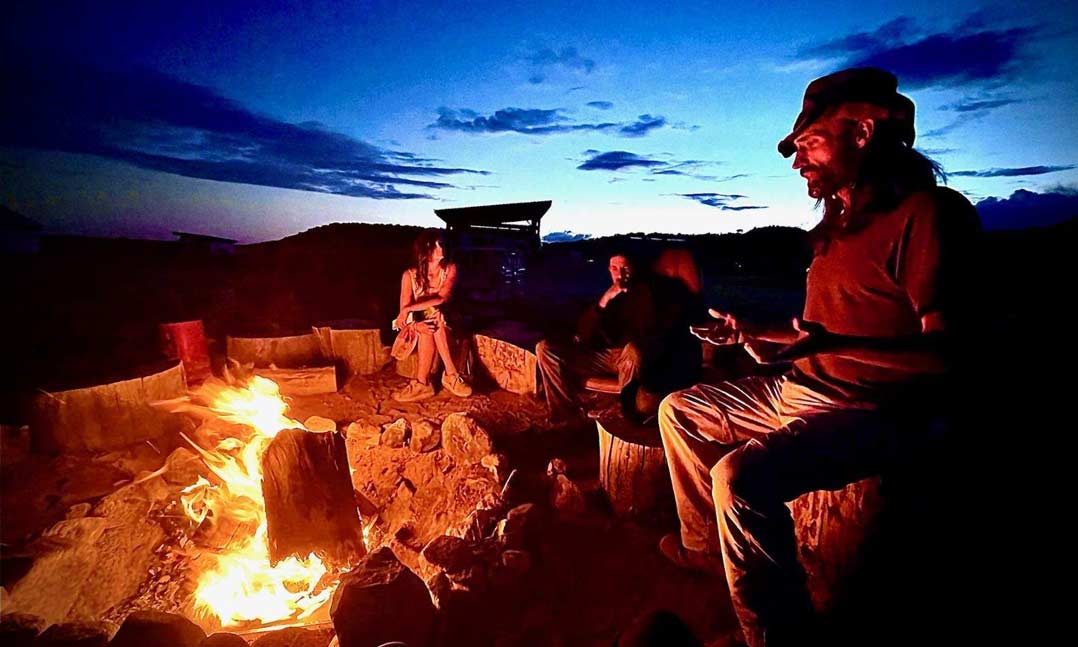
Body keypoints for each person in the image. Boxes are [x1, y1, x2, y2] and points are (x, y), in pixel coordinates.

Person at [657, 67, 981, 646]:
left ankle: (774, 633)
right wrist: (757, 334)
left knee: (738, 478)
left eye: (810, 142)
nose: (797, 160)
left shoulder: (929, 215)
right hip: (798, 388)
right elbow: (822, 331)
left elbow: (951, 358)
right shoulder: (837, 226)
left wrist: (831, 348)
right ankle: (707, 553)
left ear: (861, 132)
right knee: (678, 411)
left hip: (866, 410)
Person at [535, 252, 655, 421]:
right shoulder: (605, 293)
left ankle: (628, 413)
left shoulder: (646, 293)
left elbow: (647, 332)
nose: (620, 275)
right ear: (609, 269)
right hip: (601, 356)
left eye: (625, 268)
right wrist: (605, 300)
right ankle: (563, 414)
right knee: (545, 348)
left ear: (633, 269)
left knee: (633, 350)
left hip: (627, 356)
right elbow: (583, 332)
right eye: (614, 268)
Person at [390, 229, 472, 401]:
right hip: (422, 325)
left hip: (451, 321)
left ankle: (428, 381)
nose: (442, 246)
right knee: (429, 327)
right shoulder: (409, 276)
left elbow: (442, 298)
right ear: (427, 249)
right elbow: (402, 318)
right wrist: (414, 323)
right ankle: (443, 378)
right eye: (437, 244)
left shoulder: (450, 269)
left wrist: (408, 309)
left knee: (437, 317)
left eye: (441, 243)